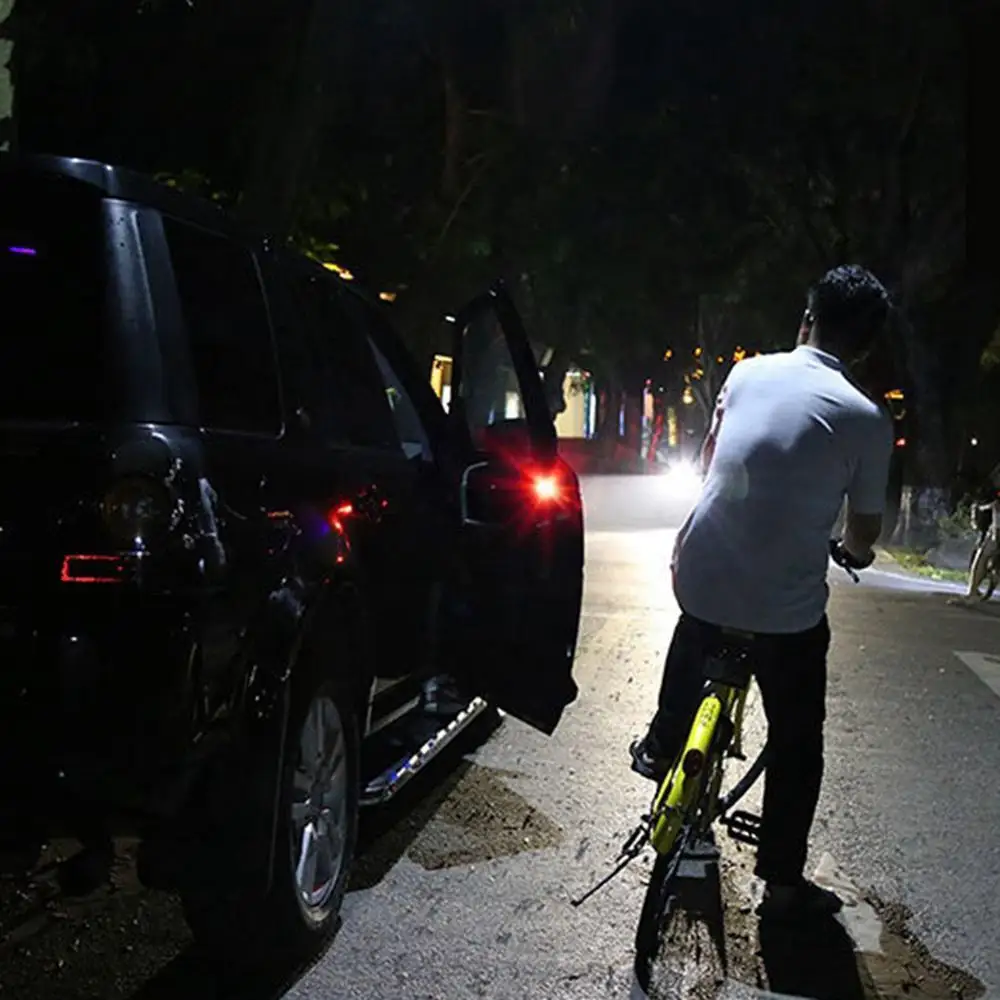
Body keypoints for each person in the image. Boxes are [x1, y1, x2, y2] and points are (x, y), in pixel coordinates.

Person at [630, 265, 894, 921]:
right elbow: (864, 528)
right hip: (784, 614)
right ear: (864, 347)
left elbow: (713, 459)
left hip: (702, 570)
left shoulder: (747, 374)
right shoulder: (867, 418)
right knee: (799, 738)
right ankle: (781, 879)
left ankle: (662, 740)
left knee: (697, 619)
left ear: (807, 320)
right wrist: (855, 552)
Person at [967, 480, 1000, 599]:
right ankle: (976, 589)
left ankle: (973, 591)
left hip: (996, 531)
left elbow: (996, 508)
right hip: (993, 530)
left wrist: (996, 534)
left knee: (982, 558)